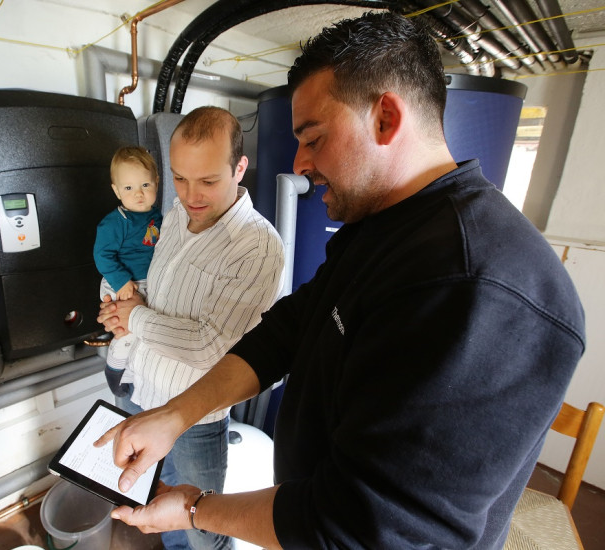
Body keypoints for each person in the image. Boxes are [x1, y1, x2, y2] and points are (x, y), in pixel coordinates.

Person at [95, 11, 586, 550]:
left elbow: (361, 526)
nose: (299, 163)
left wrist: (195, 508)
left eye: (313, 138)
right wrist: (174, 415)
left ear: (385, 119)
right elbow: (288, 330)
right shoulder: (378, 226)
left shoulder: (480, 288)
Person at [97, 106, 285, 549]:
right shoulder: (178, 214)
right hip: (146, 391)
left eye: (208, 180)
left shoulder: (257, 247)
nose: (190, 195)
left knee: (205, 525)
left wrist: (136, 319)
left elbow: (212, 347)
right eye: (180, 178)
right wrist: (126, 310)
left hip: (195, 415)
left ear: (239, 168)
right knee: (160, 508)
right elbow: (158, 292)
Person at [93, 146, 162, 397]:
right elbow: (102, 255)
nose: (139, 194)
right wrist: (122, 281)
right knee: (129, 331)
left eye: (145, 185)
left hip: (145, 282)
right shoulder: (116, 221)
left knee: (145, 332)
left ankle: (134, 372)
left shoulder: (158, 217)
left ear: (156, 182)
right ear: (116, 191)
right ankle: (116, 370)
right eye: (129, 188)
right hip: (122, 282)